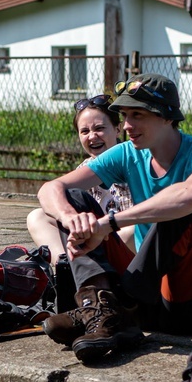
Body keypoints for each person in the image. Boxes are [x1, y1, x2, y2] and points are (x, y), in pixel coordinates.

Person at [37, 73, 192, 363]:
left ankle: (121, 308)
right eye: (124, 116)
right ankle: (102, 309)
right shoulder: (127, 154)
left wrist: (109, 224)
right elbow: (51, 189)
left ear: (168, 116)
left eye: (138, 115)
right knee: (74, 199)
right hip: (146, 296)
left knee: (179, 208)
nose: (127, 126)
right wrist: (72, 218)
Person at [27, 94, 135, 266]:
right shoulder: (84, 168)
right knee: (37, 217)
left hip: (126, 246)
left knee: (132, 232)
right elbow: (49, 190)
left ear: (118, 128)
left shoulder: (133, 158)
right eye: (84, 131)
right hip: (93, 241)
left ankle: (86, 265)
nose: (92, 136)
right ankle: (66, 266)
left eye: (99, 128)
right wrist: (67, 216)